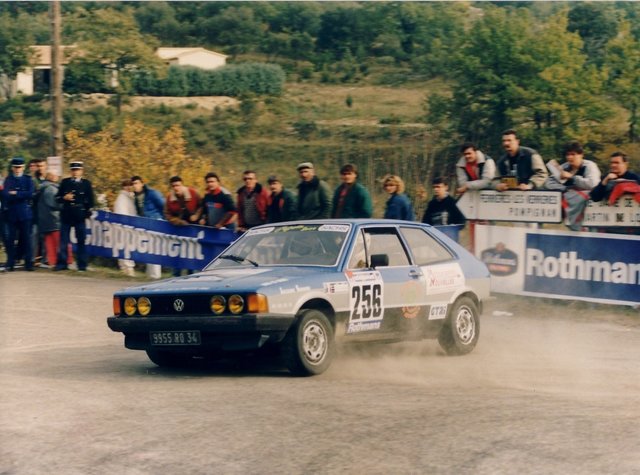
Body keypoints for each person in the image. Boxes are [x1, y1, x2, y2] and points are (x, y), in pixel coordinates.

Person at [545, 141, 601, 231]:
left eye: (573, 154)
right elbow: (548, 182)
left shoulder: (590, 166)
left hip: (590, 209)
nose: (570, 157)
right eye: (567, 154)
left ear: (581, 155)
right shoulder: (565, 167)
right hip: (570, 204)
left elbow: (593, 184)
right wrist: (565, 188)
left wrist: (573, 178)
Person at [55, 161, 94, 272]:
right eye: (73, 170)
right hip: (67, 214)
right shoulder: (65, 182)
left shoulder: (86, 183)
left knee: (81, 240)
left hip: (79, 214)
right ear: (71, 171)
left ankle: (82, 265)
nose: (75, 172)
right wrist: (64, 197)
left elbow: (91, 201)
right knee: (64, 240)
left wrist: (86, 213)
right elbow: (57, 198)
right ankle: (62, 263)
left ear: (81, 171)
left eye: (77, 170)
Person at [1, 157, 35, 271]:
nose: (17, 169)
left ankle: (28, 263)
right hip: (12, 213)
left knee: (26, 239)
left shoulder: (28, 179)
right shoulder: (8, 180)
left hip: (25, 213)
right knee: (10, 240)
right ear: (12, 168)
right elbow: (5, 194)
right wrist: (21, 194)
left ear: (23, 167)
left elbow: (30, 194)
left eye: (19, 167)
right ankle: (10, 263)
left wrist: (16, 193)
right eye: (15, 167)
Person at [164, 175, 201, 277]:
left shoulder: (193, 193)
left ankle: (192, 275)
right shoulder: (169, 198)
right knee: (177, 253)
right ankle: (176, 276)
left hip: (193, 228)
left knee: (192, 252)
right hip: (178, 228)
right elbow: (167, 214)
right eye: (174, 186)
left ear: (182, 184)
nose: (176, 188)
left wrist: (197, 215)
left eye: (178, 185)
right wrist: (178, 221)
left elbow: (201, 205)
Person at [131, 175, 165, 279]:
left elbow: (163, 206)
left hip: (155, 223)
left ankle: (155, 275)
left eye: (137, 183)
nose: (135, 186)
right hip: (145, 225)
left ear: (142, 183)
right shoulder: (135, 197)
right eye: (133, 184)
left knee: (155, 249)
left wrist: (162, 221)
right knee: (148, 249)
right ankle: (150, 274)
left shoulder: (152, 193)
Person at [37, 171, 71, 270]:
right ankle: (66, 260)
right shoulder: (51, 189)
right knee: (59, 241)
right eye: (55, 175)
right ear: (51, 176)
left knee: (49, 242)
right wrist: (65, 203)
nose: (57, 176)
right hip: (54, 219)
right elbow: (55, 204)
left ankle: (53, 261)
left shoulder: (44, 187)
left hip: (45, 219)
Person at [113, 179, 137, 276]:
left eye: (130, 185)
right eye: (126, 185)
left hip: (130, 227)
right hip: (124, 228)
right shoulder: (122, 198)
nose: (128, 187)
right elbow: (121, 214)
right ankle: (126, 269)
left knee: (129, 248)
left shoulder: (130, 197)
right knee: (125, 248)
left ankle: (127, 268)